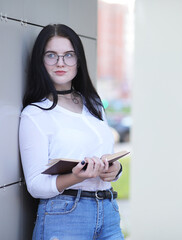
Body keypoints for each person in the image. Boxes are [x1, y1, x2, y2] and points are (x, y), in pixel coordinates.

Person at [19, 24, 125, 240]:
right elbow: (36, 186)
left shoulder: (93, 104)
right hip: (65, 215)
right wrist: (75, 176)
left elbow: (107, 154)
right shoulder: (35, 114)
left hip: (108, 211)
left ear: (78, 61)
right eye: (51, 55)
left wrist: (115, 169)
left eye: (69, 55)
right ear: (40, 61)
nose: (61, 63)